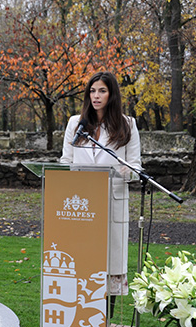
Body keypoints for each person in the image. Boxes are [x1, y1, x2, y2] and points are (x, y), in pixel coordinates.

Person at [60, 71, 141, 304]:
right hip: (81, 204)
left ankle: (105, 325)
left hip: (111, 203)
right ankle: (80, 317)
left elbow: (135, 166)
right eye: (92, 91)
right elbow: (66, 162)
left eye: (102, 91)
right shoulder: (76, 123)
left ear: (111, 94)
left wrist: (127, 172)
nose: (96, 96)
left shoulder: (127, 125)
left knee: (109, 263)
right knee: (82, 262)